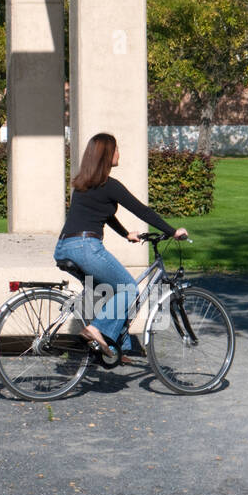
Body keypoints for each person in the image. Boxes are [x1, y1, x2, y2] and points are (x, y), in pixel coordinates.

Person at [55, 132, 189, 360]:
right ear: (107, 155)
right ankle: (97, 330)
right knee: (128, 288)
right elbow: (142, 211)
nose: (119, 153)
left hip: (65, 247)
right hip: (87, 247)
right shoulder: (110, 186)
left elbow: (104, 214)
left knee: (109, 293)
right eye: (116, 149)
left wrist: (126, 233)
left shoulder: (83, 185)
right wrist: (172, 231)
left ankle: (118, 349)